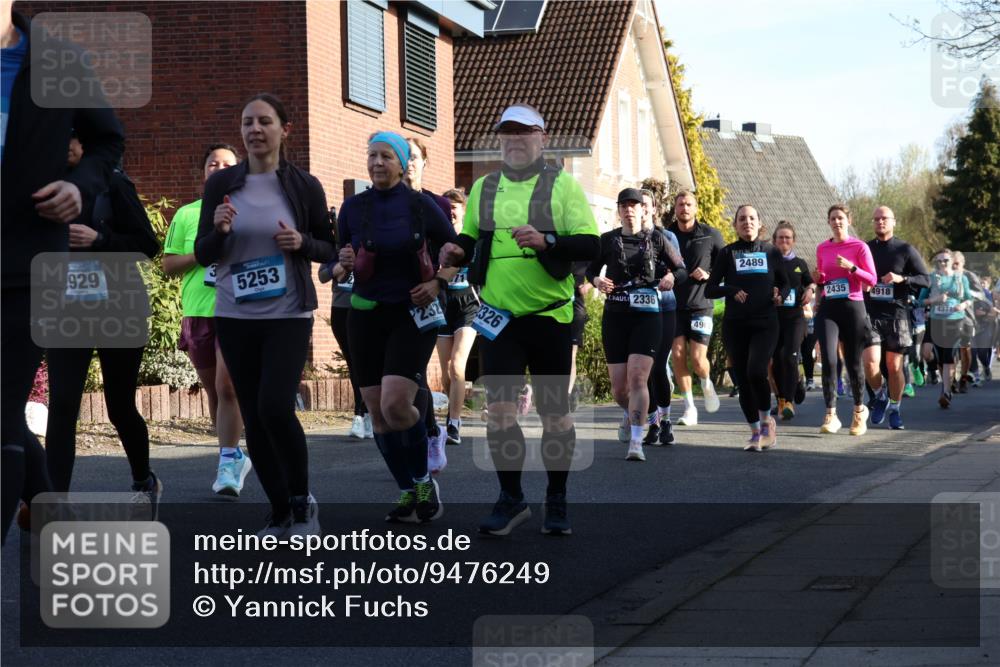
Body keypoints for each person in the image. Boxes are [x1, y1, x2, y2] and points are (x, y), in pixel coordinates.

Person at [439, 103, 599, 536]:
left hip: (549, 317)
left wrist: (548, 240)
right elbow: (469, 239)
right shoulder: (484, 189)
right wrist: (455, 251)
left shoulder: (562, 187)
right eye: (506, 134)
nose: (513, 141)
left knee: (554, 415)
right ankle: (512, 497)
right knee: (500, 413)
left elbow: (589, 244)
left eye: (523, 133)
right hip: (500, 319)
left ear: (541, 139)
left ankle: (558, 497)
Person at [1, 4, 125, 543]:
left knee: (3, 415)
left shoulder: (56, 60)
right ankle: (53, 506)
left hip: (28, 263)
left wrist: (81, 187)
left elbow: (106, 141)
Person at [195, 93, 334, 538]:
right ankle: (278, 509)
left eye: (264, 122)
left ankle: (301, 501)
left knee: (275, 406)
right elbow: (202, 254)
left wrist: (302, 244)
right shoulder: (221, 185)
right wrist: (217, 231)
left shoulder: (303, 185)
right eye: (247, 122)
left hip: (288, 314)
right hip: (235, 314)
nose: (255, 129)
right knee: (254, 415)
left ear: (283, 130)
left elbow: (328, 247)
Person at [337, 131, 455, 523]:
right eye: (372, 155)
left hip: (412, 313)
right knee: (377, 411)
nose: (377, 163)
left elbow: (458, 255)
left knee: (395, 403)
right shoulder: (353, 209)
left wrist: (437, 282)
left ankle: (423, 481)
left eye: (386, 156)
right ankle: (407, 491)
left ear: (403, 164)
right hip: (365, 314)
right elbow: (340, 263)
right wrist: (344, 262)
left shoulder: (423, 206)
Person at [45, 137, 160, 502]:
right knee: (63, 405)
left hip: (120, 308)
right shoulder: (44, 187)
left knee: (119, 406)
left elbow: (148, 244)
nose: (65, 141)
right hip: (68, 309)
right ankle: (54, 501)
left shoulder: (114, 183)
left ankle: (144, 482)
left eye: (74, 135)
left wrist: (100, 238)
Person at [163, 144, 252, 495]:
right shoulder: (187, 215)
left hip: (237, 309)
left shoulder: (250, 211)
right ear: (203, 172)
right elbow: (169, 266)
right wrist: (203, 253)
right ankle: (230, 455)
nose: (219, 168)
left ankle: (228, 463)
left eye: (227, 164)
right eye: (212, 163)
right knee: (215, 392)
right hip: (198, 311)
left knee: (228, 387)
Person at [587, 188, 685, 462]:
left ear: (644, 210)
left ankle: (636, 441)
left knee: (638, 378)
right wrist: (596, 281)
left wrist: (671, 279)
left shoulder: (658, 239)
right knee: (620, 389)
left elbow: (681, 269)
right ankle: (647, 415)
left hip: (647, 316)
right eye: (625, 205)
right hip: (616, 316)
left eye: (635, 205)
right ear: (619, 211)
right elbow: (589, 270)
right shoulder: (607, 240)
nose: (630, 209)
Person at [705, 205, 788, 451]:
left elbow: (785, 283)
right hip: (735, 324)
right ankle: (754, 431)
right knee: (742, 379)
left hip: (765, 322)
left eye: (751, 218)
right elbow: (710, 289)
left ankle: (766, 424)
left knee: (755, 371)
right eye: (742, 219)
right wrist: (731, 290)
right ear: (735, 225)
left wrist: (780, 296)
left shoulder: (771, 252)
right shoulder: (727, 253)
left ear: (759, 223)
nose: (747, 222)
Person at [861, 206, 930, 430]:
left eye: (885, 218)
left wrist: (902, 279)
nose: (880, 222)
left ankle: (894, 408)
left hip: (897, 314)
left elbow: (925, 280)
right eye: (877, 219)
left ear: (893, 222)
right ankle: (881, 395)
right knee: (870, 364)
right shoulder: (866, 249)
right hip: (870, 313)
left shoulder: (905, 249)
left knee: (894, 366)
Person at [813, 204, 878, 435]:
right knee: (830, 361)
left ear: (848, 221)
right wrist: (817, 281)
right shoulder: (822, 248)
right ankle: (831, 415)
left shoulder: (859, 247)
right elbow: (822, 280)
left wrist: (852, 268)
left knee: (853, 363)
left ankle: (859, 412)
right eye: (833, 218)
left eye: (840, 218)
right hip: (829, 308)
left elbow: (872, 280)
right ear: (828, 222)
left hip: (853, 307)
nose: (837, 222)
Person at [667, 191, 724, 426]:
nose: (684, 208)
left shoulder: (711, 235)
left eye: (689, 204)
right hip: (673, 305)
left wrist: (710, 275)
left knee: (699, 360)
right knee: (678, 356)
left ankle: (706, 380)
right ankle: (690, 408)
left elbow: (726, 268)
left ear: (696, 208)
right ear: (675, 208)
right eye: (680, 204)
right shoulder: (666, 235)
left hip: (701, 304)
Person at [642, 188, 682, 445]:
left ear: (654, 208)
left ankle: (665, 420)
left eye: (645, 204)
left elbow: (679, 269)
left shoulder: (667, 236)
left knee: (657, 367)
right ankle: (652, 423)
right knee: (641, 371)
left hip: (664, 308)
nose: (641, 208)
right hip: (637, 312)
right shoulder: (625, 238)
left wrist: (669, 276)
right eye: (637, 204)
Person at [918, 249, 973, 408]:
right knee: (927, 353)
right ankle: (942, 378)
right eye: (939, 261)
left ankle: (946, 392)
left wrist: (962, 304)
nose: (942, 263)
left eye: (946, 260)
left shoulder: (961, 278)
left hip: (955, 321)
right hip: (935, 321)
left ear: (952, 261)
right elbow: (922, 301)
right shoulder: (931, 279)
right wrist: (935, 299)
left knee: (948, 357)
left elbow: (969, 298)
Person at [771, 221, 814, 420]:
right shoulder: (768, 262)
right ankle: (787, 392)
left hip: (795, 318)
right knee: (776, 360)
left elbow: (810, 281)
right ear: (774, 240)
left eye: (788, 238)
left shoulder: (800, 264)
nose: (784, 241)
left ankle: (788, 402)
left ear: (793, 241)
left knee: (788, 355)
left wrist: (810, 290)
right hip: (773, 317)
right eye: (781, 238)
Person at [952, 251, 985, 392]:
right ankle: (952, 379)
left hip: (967, 317)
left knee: (965, 349)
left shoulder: (969, 276)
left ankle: (964, 378)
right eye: (951, 263)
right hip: (949, 318)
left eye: (956, 264)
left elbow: (981, 295)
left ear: (962, 263)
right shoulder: (945, 276)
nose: (953, 266)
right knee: (951, 350)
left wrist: (966, 293)